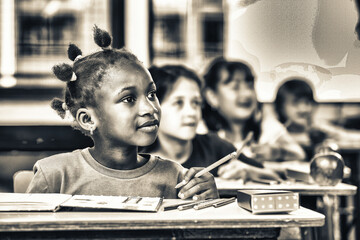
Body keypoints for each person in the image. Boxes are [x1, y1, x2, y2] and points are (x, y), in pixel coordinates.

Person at [26, 26, 218, 200]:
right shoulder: (54, 176)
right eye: (129, 99)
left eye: (151, 94)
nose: (150, 108)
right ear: (87, 119)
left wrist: (209, 200)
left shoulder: (178, 179)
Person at [140, 65, 282, 182]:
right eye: (178, 103)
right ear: (154, 107)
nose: (191, 112)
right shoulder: (138, 156)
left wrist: (249, 172)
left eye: (196, 103)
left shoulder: (214, 146)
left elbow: (276, 177)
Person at [202, 57, 306, 179]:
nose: (246, 93)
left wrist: (276, 152)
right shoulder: (201, 131)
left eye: (250, 86)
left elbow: (299, 154)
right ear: (212, 96)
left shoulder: (265, 126)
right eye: (235, 87)